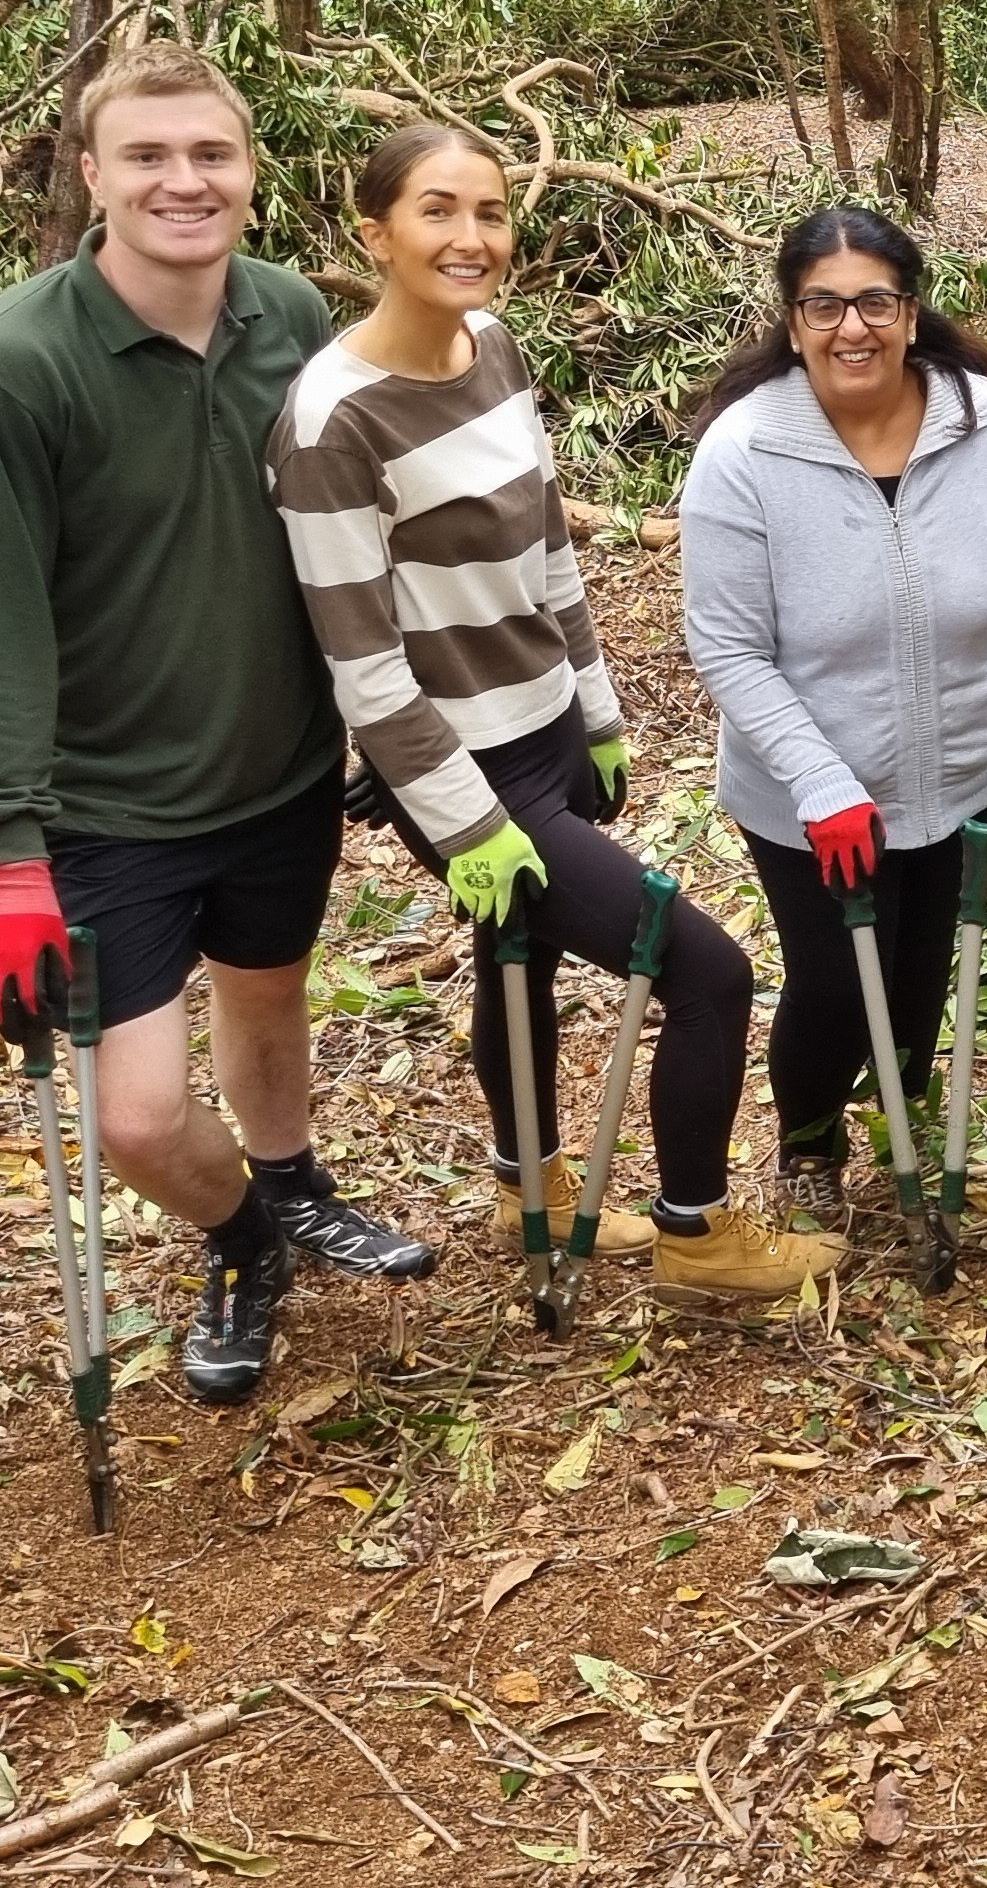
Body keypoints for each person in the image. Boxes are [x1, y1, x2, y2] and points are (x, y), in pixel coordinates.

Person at [0, 43, 431, 1413]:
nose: (181, 180)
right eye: (146, 155)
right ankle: (242, 1238)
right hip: (106, 803)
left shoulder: (290, 320)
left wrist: (398, 727)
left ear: (252, 177)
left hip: (276, 767)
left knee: (268, 995)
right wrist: (7, 852)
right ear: (90, 175)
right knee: (140, 1116)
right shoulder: (8, 371)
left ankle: (294, 1181)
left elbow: (362, 536)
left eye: (210, 153)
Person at [272, 125, 832, 1309]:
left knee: (513, 964)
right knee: (707, 970)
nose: (471, 238)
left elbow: (544, 544)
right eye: (437, 212)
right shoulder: (332, 423)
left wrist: (595, 705)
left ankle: (522, 1182)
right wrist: (466, 826)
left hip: (540, 727)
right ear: (373, 234)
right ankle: (697, 1236)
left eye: (488, 211)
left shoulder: (491, 347)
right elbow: (363, 670)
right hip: (461, 768)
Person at [682, 206, 987, 1239]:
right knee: (829, 985)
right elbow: (729, 649)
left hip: (957, 766)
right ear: (792, 320)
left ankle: (906, 1136)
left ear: (911, 313)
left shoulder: (985, 422)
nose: (850, 327)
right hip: (807, 794)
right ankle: (810, 1146)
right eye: (824, 305)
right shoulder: (743, 454)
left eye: (874, 301)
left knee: (918, 980)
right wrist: (822, 786)